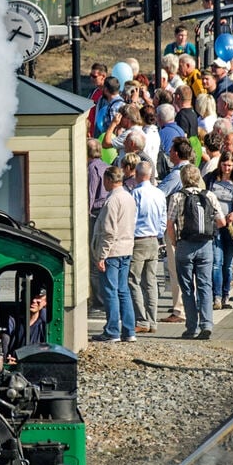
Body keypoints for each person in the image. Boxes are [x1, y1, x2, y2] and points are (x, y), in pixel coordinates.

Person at [167, 164, 227, 340]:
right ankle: (207, 324)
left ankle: (191, 327)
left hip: (184, 245)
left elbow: (170, 224)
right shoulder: (209, 195)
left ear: (183, 179)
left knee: (187, 288)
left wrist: (174, 242)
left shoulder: (177, 197)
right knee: (205, 286)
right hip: (206, 245)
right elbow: (222, 222)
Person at [91, 166, 137, 342]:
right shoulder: (128, 197)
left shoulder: (112, 201)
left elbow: (109, 231)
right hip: (126, 248)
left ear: (109, 180)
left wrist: (101, 255)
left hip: (112, 251)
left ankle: (112, 331)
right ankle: (129, 330)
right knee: (123, 290)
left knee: (110, 291)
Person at [204, 151, 233, 310]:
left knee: (228, 264)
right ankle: (216, 296)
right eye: (224, 165)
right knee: (216, 262)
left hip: (232, 228)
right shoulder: (211, 179)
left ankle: (225, 296)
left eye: (230, 165)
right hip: (215, 226)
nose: (226, 168)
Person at [159, 138, 196, 324]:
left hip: (177, 228)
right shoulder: (194, 171)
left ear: (175, 153)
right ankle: (189, 305)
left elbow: (159, 194)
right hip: (194, 229)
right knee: (191, 270)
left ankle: (178, 309)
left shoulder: (176, 175)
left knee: (176, 269)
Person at [129, 161, 168, 334]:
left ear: (137, 175)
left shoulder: (135, 193)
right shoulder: (159, 193)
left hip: (138, 240)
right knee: (150, 282)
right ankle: (152, 321)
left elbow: (132, 218)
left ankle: (142, 319)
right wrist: (158, 234)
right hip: (154, 239)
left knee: (133, 280)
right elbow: (163, 218)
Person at [87, 139, 110, 310]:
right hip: (106, 212)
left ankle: (99, 299)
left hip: (95, 214)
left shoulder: (92, 169)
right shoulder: (106, 166)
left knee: (95, 257)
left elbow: (90, 194)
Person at [3, 287, 48, 358]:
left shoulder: (46, 323)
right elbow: (5, 340)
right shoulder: (13, 319)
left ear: (45, 302)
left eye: (38, 297)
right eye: (30, 296)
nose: (33, 300)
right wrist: (7, 358)